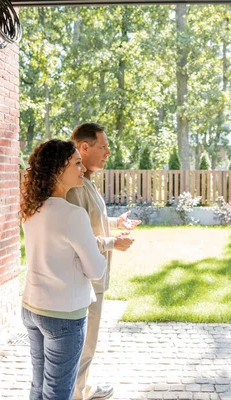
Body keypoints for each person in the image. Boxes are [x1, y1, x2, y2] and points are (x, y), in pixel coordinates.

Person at [20, 139, 107, 400]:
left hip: (32, 308)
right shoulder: (73, 214)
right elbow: (96, 270)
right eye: (76, 163)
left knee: (38, 386)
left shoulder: (31, 208)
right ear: (58, 170)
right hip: (64, 316)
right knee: (58, 393)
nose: (82, 168)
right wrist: (86, 256)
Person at [67, 122, 140, 400]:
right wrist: (114, 243)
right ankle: (76, 394)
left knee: (88, 343)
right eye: (103, 146)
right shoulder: (74, 186)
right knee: (83, 345)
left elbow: (90, 222)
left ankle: (83, 388)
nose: (108, 152)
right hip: (86, 278)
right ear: (84, 148)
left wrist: (114, 222)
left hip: (95, 276)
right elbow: (76, 237)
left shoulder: (86, 181)